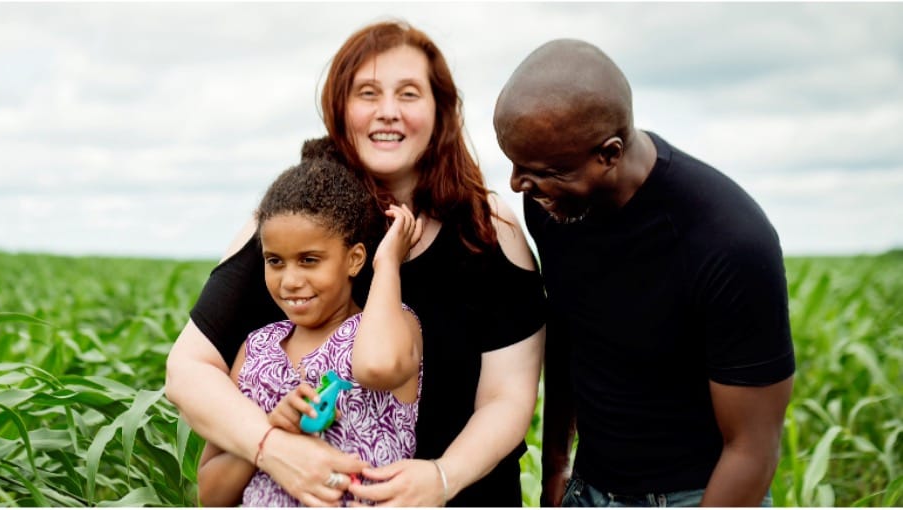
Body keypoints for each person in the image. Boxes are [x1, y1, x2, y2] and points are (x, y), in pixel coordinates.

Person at [166, 20, 546, 506]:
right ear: (340, 109)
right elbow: (188, 370)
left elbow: (507, 398)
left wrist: (442, 478)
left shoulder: (488, 227)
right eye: (368, 93)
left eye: (409, 94)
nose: (388, 112)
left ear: (440, 110)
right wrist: (271, 447)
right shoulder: (289, 223)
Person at [492, 39, 796, 507]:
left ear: (610, 154)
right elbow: (569, 332)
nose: (519, 185)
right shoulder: (553, 205)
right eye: (514, 164)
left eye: (544, 170)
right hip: (588, 489)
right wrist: (556, 466)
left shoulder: (730, 241)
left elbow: (753, 449)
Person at [195, 154, 425, 507]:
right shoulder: (256, 350)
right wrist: (271, 431)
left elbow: (377, 366)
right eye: (275, 261)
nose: (290, 281)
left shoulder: (390, 326)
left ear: (355, 259)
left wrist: (388, 262)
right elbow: (209, 495)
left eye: (309, 260)